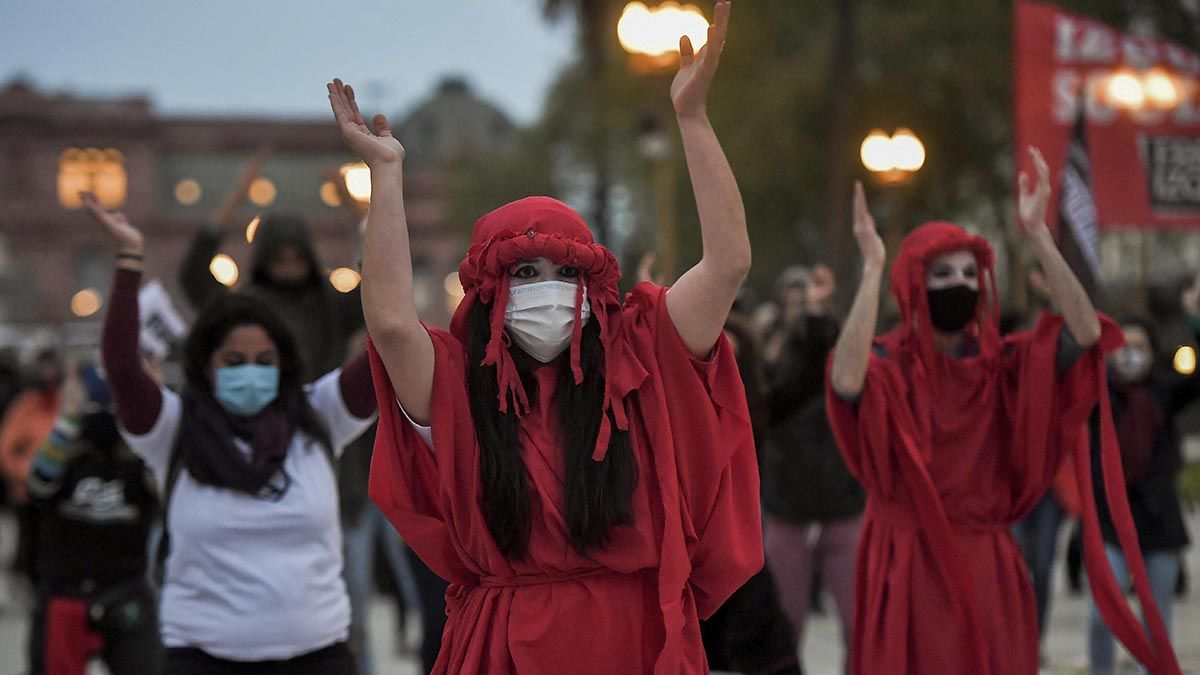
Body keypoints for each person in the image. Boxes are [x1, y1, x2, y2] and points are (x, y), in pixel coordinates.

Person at [329, 2, 761, 671]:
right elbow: (388, 320)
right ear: (490, 291)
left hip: (634, 641)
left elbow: (729, 261)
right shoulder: (456, 384)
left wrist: (694, 119)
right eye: (526, 270)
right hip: (503, 644)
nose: (549, 287)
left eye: (568, 271)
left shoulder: (639, 354)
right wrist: (387, 177)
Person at [826, 149, 1180, 675]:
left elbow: (1086, 332)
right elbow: (846, 380)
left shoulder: (1008, 364)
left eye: (972, 273)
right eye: (943, 273)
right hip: (907, 561)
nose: (962, 284)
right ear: (915, 284)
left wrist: (1038, 234)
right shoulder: (885, 361)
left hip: (986, 560)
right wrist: (873, 267)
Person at [81, 191, 378, 674]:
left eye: (265, 361)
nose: (251, 372)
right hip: (202, 659)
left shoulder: (319, 415)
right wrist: (128, 258)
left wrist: (378, 232)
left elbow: (388, 343)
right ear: (207, 365)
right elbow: (122, 367)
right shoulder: (173, 429)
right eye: (234, 362)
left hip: (320, 658)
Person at [176, 147, 363, 381]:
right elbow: (194, 275)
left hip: (321, 406)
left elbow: (378, 288)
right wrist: (237, 197)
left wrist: (354, 211)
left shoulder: (330, 305)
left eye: (297, 260)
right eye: (280, 261)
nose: (289, 269)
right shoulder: (248, 305)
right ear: (265, 261)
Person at [25, 364, 162, 675]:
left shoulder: (136, 457)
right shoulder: (66, 451)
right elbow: (38, 484)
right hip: (64, 591)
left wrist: (151, 416)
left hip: (126, 589)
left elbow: (167, 487)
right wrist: (69, 417)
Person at [760, 264, 862, 668]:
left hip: (843, 508)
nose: (801, 311)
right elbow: (774, 398)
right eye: (793, 305)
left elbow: (829, 358)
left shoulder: (837, 356)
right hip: (789, 512)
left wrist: (820, 319)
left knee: (860, 623)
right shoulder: (774, 364)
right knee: (787, 627)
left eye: (808, 304)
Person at [1087, 315, 1194, 674]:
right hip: (1112, 524)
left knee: (1156, 619)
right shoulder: (1097, 392)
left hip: (1159, 525)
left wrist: (1194, 318)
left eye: (1139, 348)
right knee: (1104, 612)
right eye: (1123, 347)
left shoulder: (1164, 391)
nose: (1130, 355)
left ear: (1152, 352)